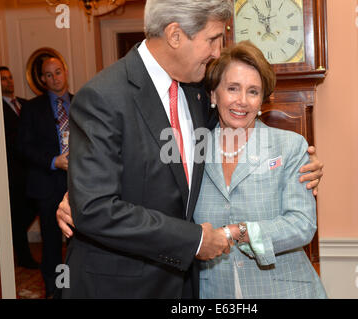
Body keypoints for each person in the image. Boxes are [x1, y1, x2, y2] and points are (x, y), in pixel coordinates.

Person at [57, 0, 323, 299]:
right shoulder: (103, 96)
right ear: (175, 35)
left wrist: (305, 162)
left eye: (252, 91)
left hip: (184, 284)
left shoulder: (195, 92)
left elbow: (231, 132)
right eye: (211, 39)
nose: (216, 51)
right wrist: (80, 197)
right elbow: (96, 207)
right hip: (123, 286)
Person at [191, 41, 327, 299]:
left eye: (253, 91)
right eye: (232, 88)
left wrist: (237, 232)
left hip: (284, 290)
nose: (242, 101)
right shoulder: (192, 150)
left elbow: (302, 224)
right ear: (213, 95)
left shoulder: (289, 146)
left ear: (262, 100)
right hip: (214, 291)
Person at [18, 57, 72, 298]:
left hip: (77, 184)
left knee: (78, 240)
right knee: (50, 241)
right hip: (46, 184)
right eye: (48, 75)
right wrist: (54, 161)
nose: (54, 78)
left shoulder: (83, 102)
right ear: (42, 79)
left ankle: (75, 286)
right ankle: (54, 289)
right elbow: (24, 147)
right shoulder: (31, 108)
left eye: (57, 72)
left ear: (65, 72)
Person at [0, 66, 38, 269]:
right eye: (4, 79)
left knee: (32, 209)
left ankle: (14, 244)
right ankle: (23, 257)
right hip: (13, 173)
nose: (9, 81)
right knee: (17, 215)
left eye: (10, 77)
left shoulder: (25, 104)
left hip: (33, 171)